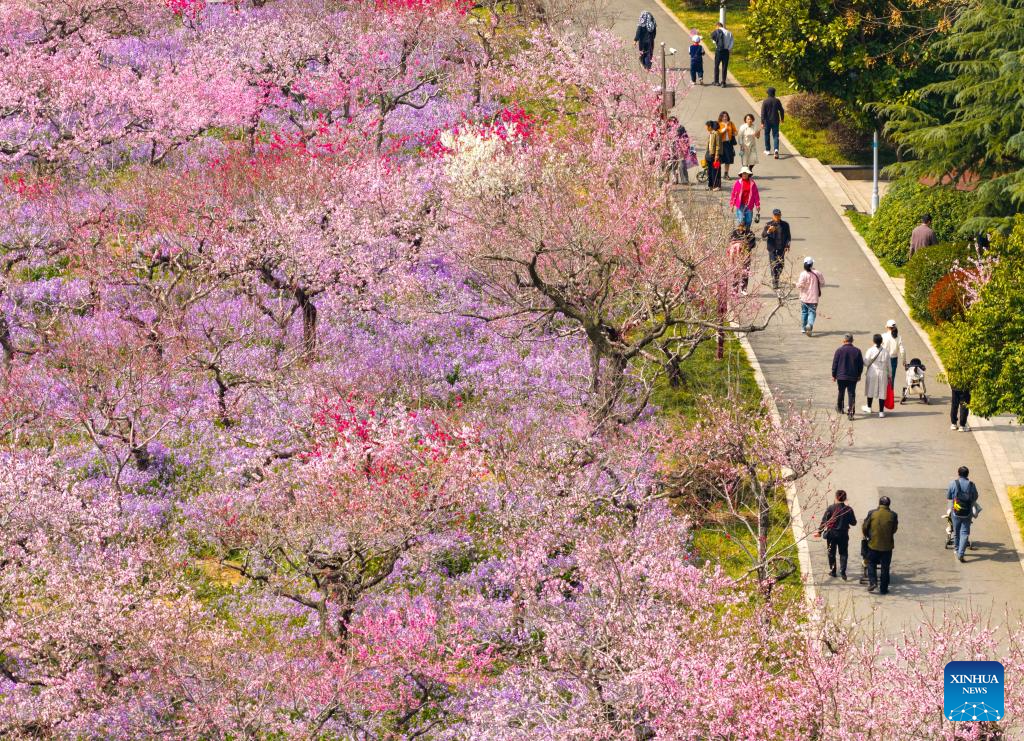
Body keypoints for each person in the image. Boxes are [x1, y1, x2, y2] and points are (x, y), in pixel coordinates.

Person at [816, 490, 857, 579]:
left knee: (831, 553)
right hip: (843, 535)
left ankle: (833, 571)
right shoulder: (848, 509)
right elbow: (854, 523)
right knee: (843, 553)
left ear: (836, 497)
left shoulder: (831, 508)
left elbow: (824, 521)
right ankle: (843, 572)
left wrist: (819, 532)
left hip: (832, 535)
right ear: (845, 498)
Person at [862, 495, 898, 594]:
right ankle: (883, 589)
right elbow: (894, 529)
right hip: (887, 547)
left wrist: (867, 535)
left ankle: (873, 582)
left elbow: (865, 527)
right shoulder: (893, 515)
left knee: (871, 563)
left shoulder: (872, 513)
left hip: (873, 545)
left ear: (879, 503)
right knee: (885, 567)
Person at [947, 466, 979, 562]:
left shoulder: (953, 483)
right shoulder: (972, 485)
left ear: (958, 473)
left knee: (956, 532)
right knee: (964, 532)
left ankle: (956, 549)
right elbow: (975, 496)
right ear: (967, 474)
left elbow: (949, 496)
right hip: (967, 513)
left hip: (956, 512)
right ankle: (961, 553)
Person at [831, 333, 864, 420]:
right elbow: (860, 365)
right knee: (851, 394)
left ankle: (840, 408)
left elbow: (835, 364)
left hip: (841, 376)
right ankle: (851, 413)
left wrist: (834, 375)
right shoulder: (857, 351)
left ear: (844, 341)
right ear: (852, 341)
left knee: (841, 392)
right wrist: (859, 375)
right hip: (853, 377)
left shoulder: (839, 350)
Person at [862, 334, 891, 418]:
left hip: (872, 372)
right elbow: (889, 366)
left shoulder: (870, 350)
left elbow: (866, 363)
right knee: (882, 391)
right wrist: (890, 376)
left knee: (870, 389)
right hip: (883, 373)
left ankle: (869, 407)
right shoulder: (886, 352)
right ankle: (881, 412)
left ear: (873, 341)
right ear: (882, 341)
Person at [761, 208, 790, 290]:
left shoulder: (785, 225)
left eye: (779, 215)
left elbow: (788, 236)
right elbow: (763, 235)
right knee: (773, 265)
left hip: (781, 248)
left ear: (780, 215)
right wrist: (768, 231)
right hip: (772, 248)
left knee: (781, 265)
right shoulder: (768, 224)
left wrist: (787, 245)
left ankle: (777, 276)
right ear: (773, 216)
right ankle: (775, 281)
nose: (777, 217)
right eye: (775, 215)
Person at [796, 257, 823, 336]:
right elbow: (823, 283)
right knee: (812, 312)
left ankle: (803, 328)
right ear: (812, 264)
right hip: (814, 298)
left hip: (804, 297)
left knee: (804, 312)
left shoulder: (803, 274)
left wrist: (795, 284)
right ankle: (810, 324)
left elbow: (800, 285)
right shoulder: (817, 273)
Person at [728, 220, 757, 295]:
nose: (741, 228)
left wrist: (746, 246)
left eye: (743, 226)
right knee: (736, 273)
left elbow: (753, 244)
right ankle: (735, 289)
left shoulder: (749, 233)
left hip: (745, 255)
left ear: (745, 226)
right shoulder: (734, 233)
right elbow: (730, 242)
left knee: (745, 271)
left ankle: (744, 288)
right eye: (740, 226)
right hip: (736, 256)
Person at [760, 87, 784, 159]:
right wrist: (782, 118)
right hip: (776, 121)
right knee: (776, 135)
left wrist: (762, 122)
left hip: (767, 121)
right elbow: (781, 110)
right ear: (774, 93)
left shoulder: (765, 101)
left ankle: (767, 150)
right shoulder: (777, 101)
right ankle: (776, 149)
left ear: (768, 93)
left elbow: (763, 113)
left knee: (767, 134)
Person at [710, 22, 733, 87]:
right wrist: (728, 48)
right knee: (724, 67)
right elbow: (732, 42)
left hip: (718, 51)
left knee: (716, 66)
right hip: (726, 51)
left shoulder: (716, 31)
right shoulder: (729, 32)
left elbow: (714, 41)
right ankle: (723, 82)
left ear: (717, 26)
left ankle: (716, 81)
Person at [717, 111, 737, 180]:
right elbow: (718, 133)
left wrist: (734, 133)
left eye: (726, 116)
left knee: (728, 159)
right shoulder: (718, 124)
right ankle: (717, 173)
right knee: (719, 159)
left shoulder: (731, 123)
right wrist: (725, 128)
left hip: (729, 143)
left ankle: (726, 174)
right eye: (723, 116)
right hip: (721, 144)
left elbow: (735, 132)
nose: (725, 118)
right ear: (721, 117)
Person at [704, 120, 722, 191]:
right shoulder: (711, 133)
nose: (706, 128)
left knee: (715, 171)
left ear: (710, 126)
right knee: (710, 171)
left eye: (707, 126)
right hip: (709, 155)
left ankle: (716, 186)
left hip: (715, 155)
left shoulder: (716, 133)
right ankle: (710, 185)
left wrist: (717, 156)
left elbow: (718, 145)